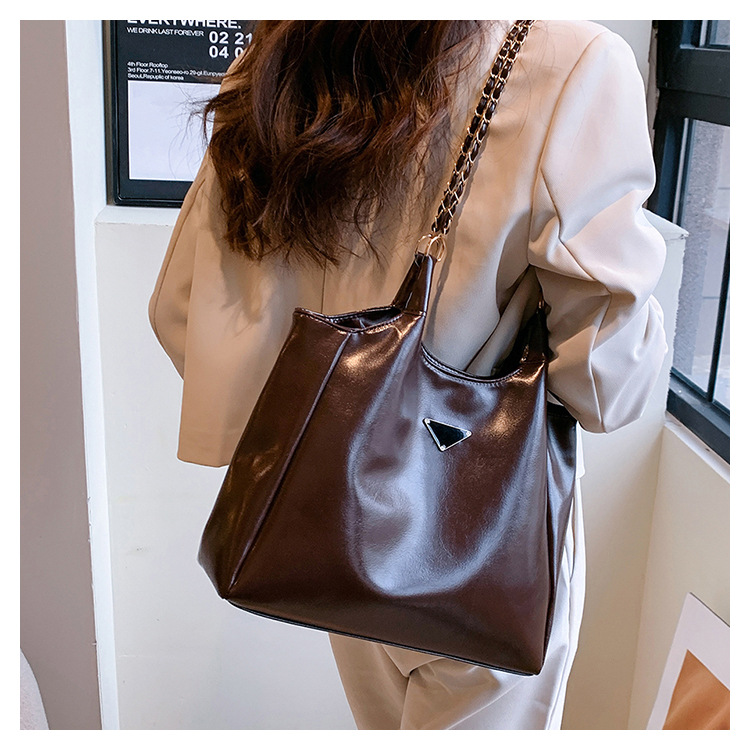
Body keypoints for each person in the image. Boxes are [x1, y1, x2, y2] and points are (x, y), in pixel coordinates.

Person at [149, 20, 667, 730]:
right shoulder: (570, 64)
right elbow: (609, 386)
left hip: (336, 525)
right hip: (482, 537)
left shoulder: (277, 57)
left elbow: (180, 310)